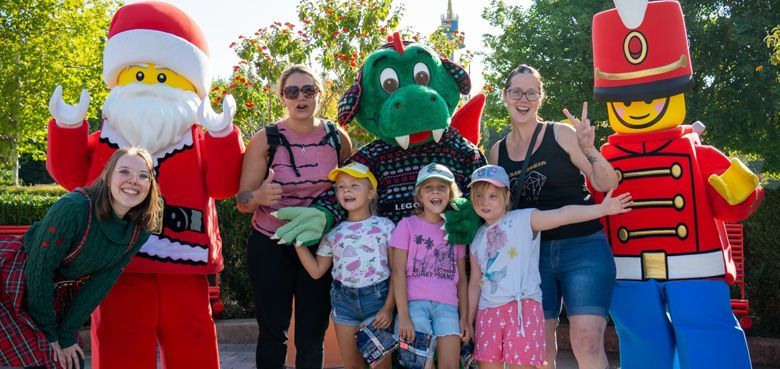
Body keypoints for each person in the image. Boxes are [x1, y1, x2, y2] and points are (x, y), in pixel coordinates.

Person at [45, 3, 245, 368]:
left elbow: (223, 184)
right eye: (138, 75)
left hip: (183, 262)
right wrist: (68, 128)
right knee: (121, 344)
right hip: (115, 265)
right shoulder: (108, 135)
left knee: (192, 343)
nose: (149, 85)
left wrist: (222, 134)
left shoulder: (198, 137)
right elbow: (69, 174)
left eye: (164, 77)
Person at [488, 64, 619, 369]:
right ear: (506, 97)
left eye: (531, 92)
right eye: (517, 92)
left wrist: (590, 149)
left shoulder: (561, 134)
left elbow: (606, 184)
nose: (524, 99)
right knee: (540, 350)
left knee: (586, 341)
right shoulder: (497, 152)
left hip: (583, 247)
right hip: (532, 256)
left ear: (540, 98)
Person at [0, 148, 161, 369]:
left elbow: (100, 284)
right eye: (124, 172)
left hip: (53, 292)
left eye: (144, 175)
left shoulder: (139, 230)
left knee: (72, 360)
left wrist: (65, 335)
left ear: (150, 184)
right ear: (107, 176)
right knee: (46, 358)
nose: (134, 181)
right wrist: (50, 333)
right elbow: (40, 267)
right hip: (13, 279)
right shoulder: (74, 208)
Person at [237, 64, 352, 369]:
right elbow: (242, 200)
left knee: (312, 333)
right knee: (273, 331)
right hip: (270, 242)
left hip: (318, 245)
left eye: (308, 90)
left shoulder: (337, 138)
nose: (300, 97)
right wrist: (259, 196)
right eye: (292, 91)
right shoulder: (266, 139)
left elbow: (348, 191)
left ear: (319, 94)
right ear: (283, 98)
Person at [465, 165, 631, 369]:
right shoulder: (476, 239)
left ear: (507, 196)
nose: (484, 202)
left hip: (522, 309)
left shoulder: (523, 219)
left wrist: (600, 210)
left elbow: (562, 215)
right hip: (487, 312)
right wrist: (468, 319)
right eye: (479, 196)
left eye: (492, 196)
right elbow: (474, 283)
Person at [293, 162, 395, 369]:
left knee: (381, 366)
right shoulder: (333, 232)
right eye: (340, 186)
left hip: (377, 302)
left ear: (371, 193)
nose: (346, 189)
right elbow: (316, 271)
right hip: (343, 304)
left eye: (354, 185)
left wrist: (388, 307)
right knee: (352, 365)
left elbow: (397, 272)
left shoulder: (386, 226)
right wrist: (298, 243)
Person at [391, 163, 471, 369]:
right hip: (414, 305)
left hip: (448, 307)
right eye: (428, 187)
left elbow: (462, 278)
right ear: (419, 195)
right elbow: (398, 273)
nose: (435, 191)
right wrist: (404, 316)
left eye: (442, 187)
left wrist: (464, 317)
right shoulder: (406, 225)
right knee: (421, 366)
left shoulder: (456, 231)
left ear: (451, 194)